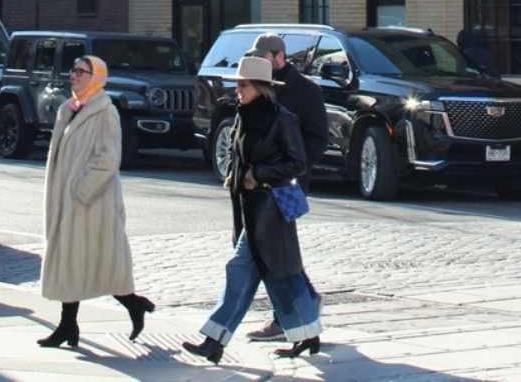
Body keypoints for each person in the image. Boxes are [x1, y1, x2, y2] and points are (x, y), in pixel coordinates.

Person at [182, 54, 322, 365]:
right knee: (282, 275)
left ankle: (214, 340)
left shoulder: (282, 118)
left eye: (243, 85)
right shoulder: (241, 116)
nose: (238, 90)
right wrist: (234, 174)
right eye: (237, 85)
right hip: (249, 209)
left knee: (243, 270)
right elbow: (239, 155)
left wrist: (258, 175)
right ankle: (307, 332)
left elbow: (297, 162)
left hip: (270, 210)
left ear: (261, 87)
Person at [38, 55, 155, 349]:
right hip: (69, 201)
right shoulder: (69, 108)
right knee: (72, 261)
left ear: (96, 77)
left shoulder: (105, 112)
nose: (74, 75)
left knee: (97, 263)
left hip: (92, 203)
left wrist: (81, 190)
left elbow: (108, 159)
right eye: (73, 70)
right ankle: (68, 325)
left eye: (81, 71)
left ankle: (133, 303)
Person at [246, 33, 328, 342]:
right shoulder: (258, 85)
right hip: (258, 182)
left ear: (279, 56)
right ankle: (304, 301)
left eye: (263, 56)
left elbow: (318, 138)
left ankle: (286, 317)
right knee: (275, 249)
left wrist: (293, 166)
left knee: (273, 249)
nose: (258, 61)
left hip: (287, 184)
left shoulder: (305, 90)